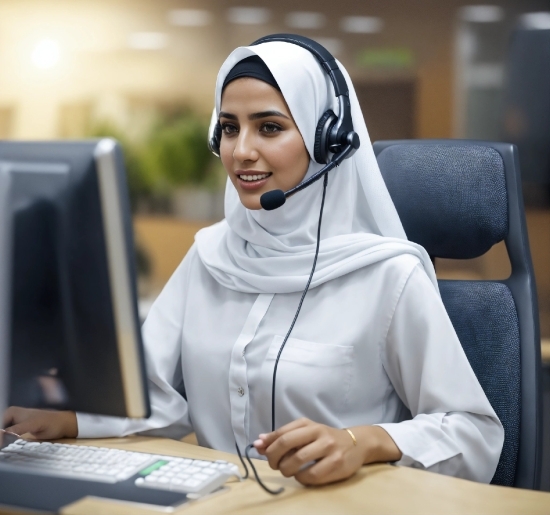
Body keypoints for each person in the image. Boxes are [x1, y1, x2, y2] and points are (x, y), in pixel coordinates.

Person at [3, 38, 504, 486]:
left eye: (269, 127)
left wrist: (361, 442)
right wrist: (70, 420)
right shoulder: (209, 255)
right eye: (227, 128)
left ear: (326, 141)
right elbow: (154, 398)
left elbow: (471, 430)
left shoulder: (388, 274)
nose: (241, 151)